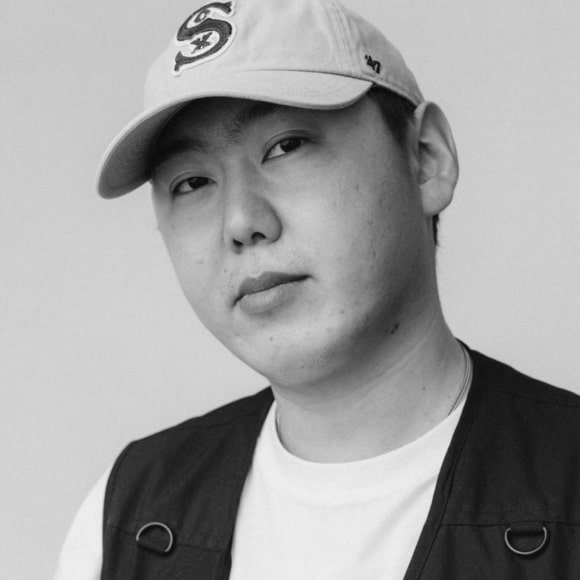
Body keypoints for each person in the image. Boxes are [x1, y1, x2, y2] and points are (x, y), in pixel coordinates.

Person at [56, 0, 580, 578]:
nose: (241, 221)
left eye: (287, 146)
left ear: (426, 158)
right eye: (192, 182)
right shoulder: (128, 517)